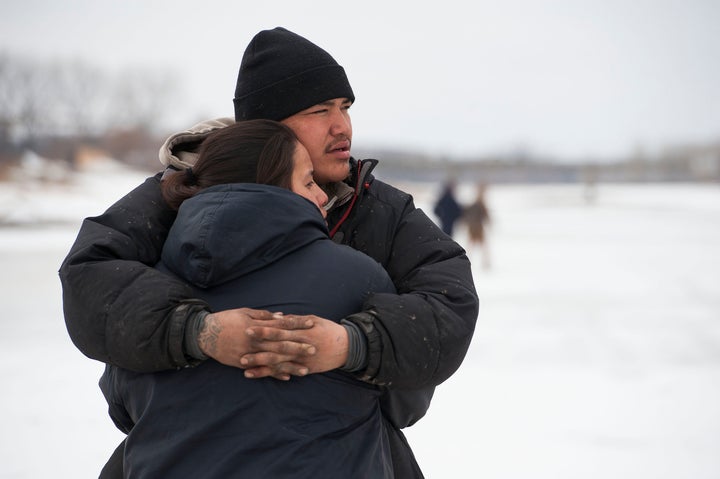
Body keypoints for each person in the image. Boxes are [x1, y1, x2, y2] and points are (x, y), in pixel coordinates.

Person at [60, 27, 478, 477]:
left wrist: (352, 344)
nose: (343, 127)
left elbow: (449, 305)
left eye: (345, 107)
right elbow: (89, 278)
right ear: (267, 128)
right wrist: (198, 332)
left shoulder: (378, 208)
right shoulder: (183, 191)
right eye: (321, 110)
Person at [101, 119, 399, 477]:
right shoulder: (360, 279)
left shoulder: (148, 289)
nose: (323, 196)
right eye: (308, 182)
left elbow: (121, 405)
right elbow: (404, 401)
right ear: (269, 186)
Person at [463, 182, 492, 270]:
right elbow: (486, 216)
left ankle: (484, 263)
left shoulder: (476, 204)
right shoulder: (479, 204)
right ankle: (484, 263)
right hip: (476, 228)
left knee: (476, 246)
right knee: (476, 246)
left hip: (474, 228)